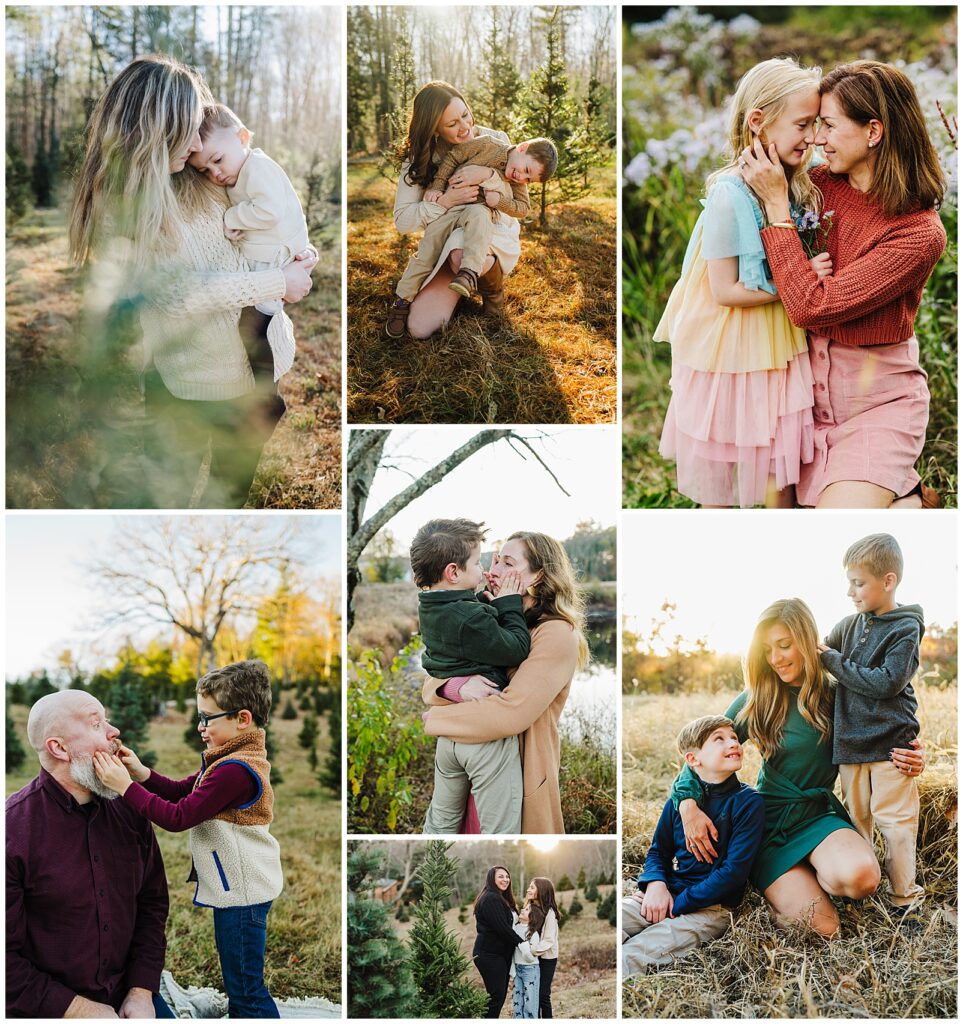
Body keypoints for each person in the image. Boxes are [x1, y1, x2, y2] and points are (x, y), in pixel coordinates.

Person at [68, 55, 317, 508]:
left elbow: (266, 221)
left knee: (230, 493)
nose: (200, 140)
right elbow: (178, 295)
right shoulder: (125, 206)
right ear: (157, 126)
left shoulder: (200, 174)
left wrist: (296, 261)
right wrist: (276, 283)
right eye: (189, 125)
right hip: (190, 383)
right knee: (170, 499)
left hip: (257, 370)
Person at [740, 59, 948, 508]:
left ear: (873, 132)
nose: (817, 138)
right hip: (800, 404)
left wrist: (777, 206)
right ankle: (907, 500)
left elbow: (812, 306)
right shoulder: (816, 184)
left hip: (877, 407)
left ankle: (900, 493)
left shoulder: (917, 231)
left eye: (829, 126)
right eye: (814, 125)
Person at [673, 598, 925, 937]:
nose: (775, 658)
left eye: (784, 645)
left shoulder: (840, 694)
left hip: (818, 816)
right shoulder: (758, 697)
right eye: (767, 649)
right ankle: (777, 884)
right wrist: (687, 804)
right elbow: (702, 751)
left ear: (807, 641)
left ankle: (817, 867)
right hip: (767, 823)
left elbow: (884, 732)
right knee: (825, 929)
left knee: (862, 878)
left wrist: (910, 756)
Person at [655, 57, 826, 508]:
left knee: (779, 463)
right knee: (725, 463)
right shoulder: (729, 194)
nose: (812, 138)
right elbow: (725, 290)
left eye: (817, 124)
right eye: (802, 124)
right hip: (730, 346)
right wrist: (802, 281)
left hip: (775, 338)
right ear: (759, 123)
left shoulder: (792, 183)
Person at [92, 661, 282, 1018]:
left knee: (246, 990)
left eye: (208, 717)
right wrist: (142, 773)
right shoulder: (229, 759)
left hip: (242, 896)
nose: (200, 726)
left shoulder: (236, 770)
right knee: (240, 980)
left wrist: (125, 787)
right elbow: (185, 792)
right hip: (238, 892)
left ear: (242, 718)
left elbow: (178, 817)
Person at [6, 690, 171, 1019]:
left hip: (128, 993)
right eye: (97, 724)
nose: (114, 732)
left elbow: (153, 904)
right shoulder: (12, 831)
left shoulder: (130, 807)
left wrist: (140, 992)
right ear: (59, 748)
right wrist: (79, 1009)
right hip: (47, 1004)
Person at [422, 532, 589, 834]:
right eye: (495, 559)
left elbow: (512, 711)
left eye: (507, 562)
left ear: (538, 576)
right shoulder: (488, 615)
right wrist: (457, 687)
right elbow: (431, 681)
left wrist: (437, 717)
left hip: (519, 774)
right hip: (470, 768)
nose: (493, 569)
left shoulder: (556, 634)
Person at [819, 533, 925, 909]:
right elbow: (819, 650)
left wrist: (832, 660)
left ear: (888, 581)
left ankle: (903, 898)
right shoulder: (848, 625)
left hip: (891, 743)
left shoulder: (905, 628)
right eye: (848, 582)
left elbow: (886, 682)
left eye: (858, 582)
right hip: (849, 744)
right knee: (856, 818)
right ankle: (863, 893)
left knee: (895, 823)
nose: (850, 591)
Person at [411, 519, 531, 834]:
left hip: (448, 740)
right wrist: (508, 603)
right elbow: (516, 648)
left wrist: (485, 598)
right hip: (484, 739)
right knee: (499, 828)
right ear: (453, 572)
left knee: (441, 821)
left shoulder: (431, 606)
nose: (485, 569)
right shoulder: (470, 618)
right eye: (478, 563)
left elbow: (460, 631)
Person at [621, 716, 764, 976]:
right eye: (718, 739)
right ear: (693, 759)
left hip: (711, 909)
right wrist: (656, 886)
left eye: (733, 737)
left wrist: (679, 903)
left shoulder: (748, 802)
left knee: (631, 956)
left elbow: (733, 873)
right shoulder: (678, 803)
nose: (733, 743)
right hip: (668, 894)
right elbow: (658, 851)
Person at [389, 81, 528, 339]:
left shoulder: (496, 140)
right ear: (434, 130)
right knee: (419, 327)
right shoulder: (419, 159)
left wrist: (487, 175)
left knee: (460, 252)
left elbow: (519, 203)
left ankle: (491, 289)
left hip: (492, 230)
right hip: (447, 232)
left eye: (465, 115)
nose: (465, 128)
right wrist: (445, 201)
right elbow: (403, 222)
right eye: (452, 125)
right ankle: (419, 292)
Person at [189, 102, 311, 392]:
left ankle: (264, 390)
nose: (215, 173)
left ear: (242, 138)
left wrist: (232, 217)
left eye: (218, 160)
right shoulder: (238, 173)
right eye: (205, 169)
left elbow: (269, 210)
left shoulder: (258, 167)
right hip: (268, 254)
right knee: (254, 322)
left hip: (276, 256)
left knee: (257, 323)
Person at [389, 136, 556, 323]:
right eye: (526, 170)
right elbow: (454, 156)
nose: (521, 178)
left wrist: (499, 201)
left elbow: (523, 208)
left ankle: (468, 274)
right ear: (522, 148)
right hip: (450, 210)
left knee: (479, 214)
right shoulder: (487, 145)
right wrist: (437, 186)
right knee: (427, 250)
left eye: (529, 179)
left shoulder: (517, 182)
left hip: (478, 212)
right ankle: (402, 301)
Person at [473, 866, 524, 1019]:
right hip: (489, 954)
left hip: (500, 955)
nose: (505, 880)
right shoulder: (490, 898)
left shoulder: (501, 898)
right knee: (496, 996)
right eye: (500, 877)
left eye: (507, 877)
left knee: (498, 996)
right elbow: (503, 928)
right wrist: (523, 944)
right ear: (491, 879)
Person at [524, 877, 560, 1018]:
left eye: (532, 887)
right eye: (529, 886)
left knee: (543, 995)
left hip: (546, 958)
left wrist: (532, 951)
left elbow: (549, 940)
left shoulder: (550, 913)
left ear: (542, 891)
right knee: (532, 995)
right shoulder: (529, 908)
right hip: (531, 958)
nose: (528, 890)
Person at [509, 903, 541, 1019]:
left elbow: (530, 957)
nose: (522, 909)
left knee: (530, 1001)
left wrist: (523, 947)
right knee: (517, 1000)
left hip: (530, 969)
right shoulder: (515, 928)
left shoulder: (533, 934)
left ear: (533, 917)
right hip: (518, 968)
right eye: (524, 907)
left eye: (527, 910)